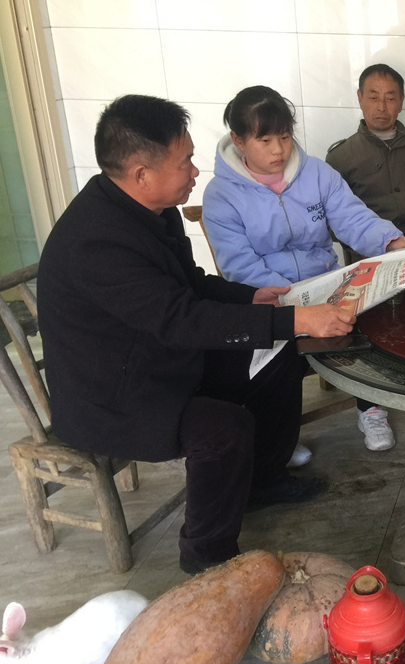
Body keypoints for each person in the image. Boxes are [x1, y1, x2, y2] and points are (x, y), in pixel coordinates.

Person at [37, 95, 358, 575]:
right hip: (114, 395)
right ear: (141, 174)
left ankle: (263, 482)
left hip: (159, 358)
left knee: (278, 354)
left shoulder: (152, 207)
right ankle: (206, 559)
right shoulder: (97, 241)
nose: (195, 171)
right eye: (184, 161)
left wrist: (250, 296)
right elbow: (182, 319)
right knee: (223, 430)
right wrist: (296, 320)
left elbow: (190, 284)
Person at [202, 86, 405, 454]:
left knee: (369, 321)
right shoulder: (221, 195)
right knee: (275, 347)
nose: (279, 150)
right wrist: (298, 307)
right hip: (272, 297)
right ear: (238, 140)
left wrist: (390, 241)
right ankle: (281, 435)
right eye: (265, 140)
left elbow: (352, 217)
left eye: (284, 137)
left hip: (324, 282)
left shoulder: (315, 172)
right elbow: (240, 265)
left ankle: (371, 409)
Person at [325, 63, 405, 237]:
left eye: (390, 99)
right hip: (370, 250)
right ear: (360, 99)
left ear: (401, 102)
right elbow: (332, 221)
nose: (382, 107)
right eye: (373, 98)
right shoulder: (340, 157)